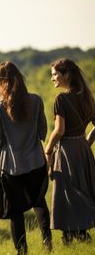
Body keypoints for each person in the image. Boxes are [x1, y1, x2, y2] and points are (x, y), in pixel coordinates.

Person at [0, 61, 52, 255]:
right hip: (36, 161)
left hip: (11, 166)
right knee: (39, 202)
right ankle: (47, 242)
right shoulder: (36, 100)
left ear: (4, 81)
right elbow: (43, 131)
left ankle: (22, 253)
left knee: (15, 212)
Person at [45, 58, 95, 245]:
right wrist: (86, 142)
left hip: (66, 151)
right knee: (81, 190)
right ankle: (75, 234)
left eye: (55, 74)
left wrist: (48, 150)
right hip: (82, 150)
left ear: (67, 75)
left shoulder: (62, 99)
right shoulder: (87, 97)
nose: (52, 79)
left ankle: (74, 235)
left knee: (67, 192)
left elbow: (59, 130)